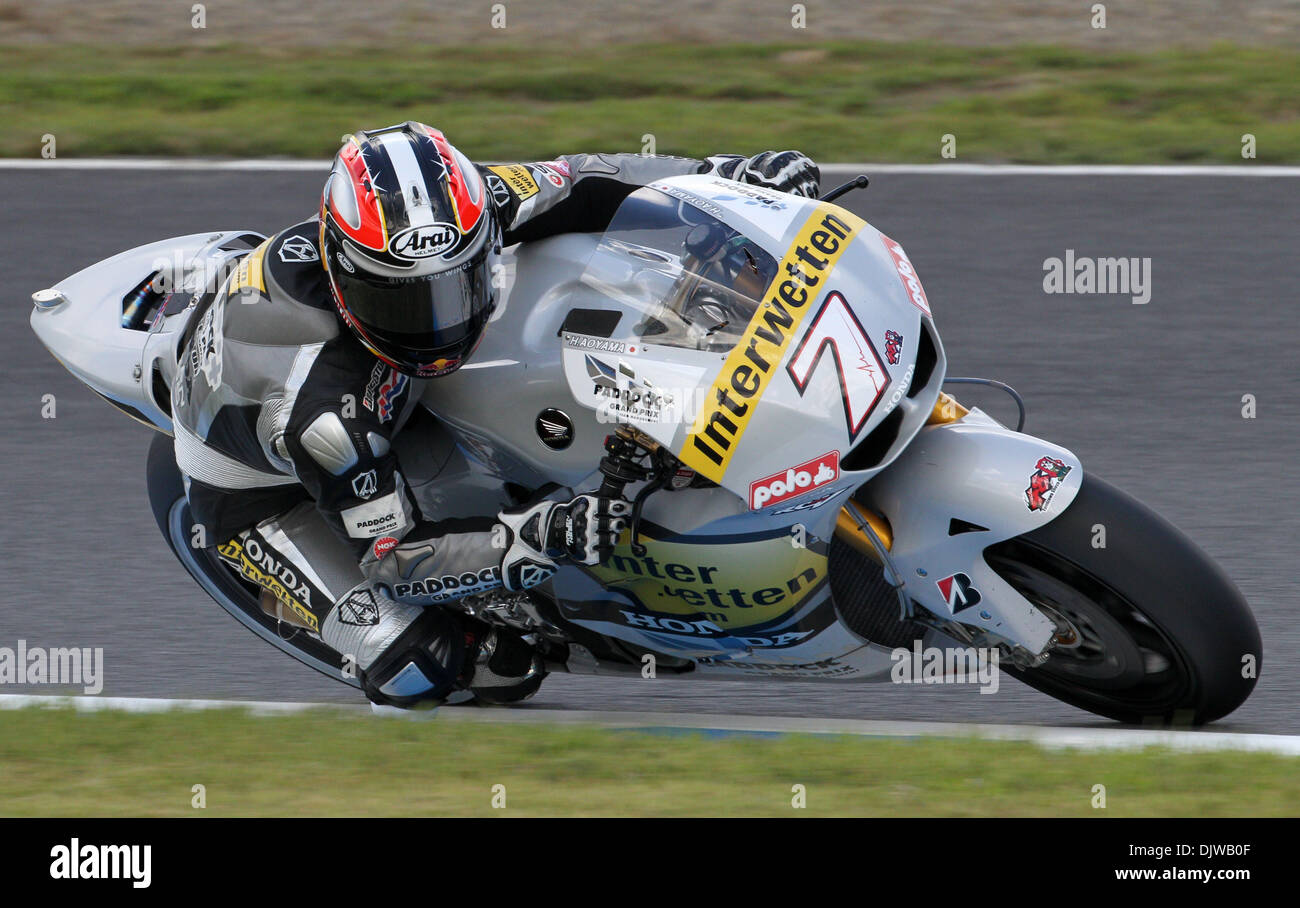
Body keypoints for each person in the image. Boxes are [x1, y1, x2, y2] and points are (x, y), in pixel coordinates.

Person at [171, 120, 821, 707]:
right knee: (434, 665)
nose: (441, 323)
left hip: (384, 396)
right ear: (348, 284)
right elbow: (395, 557)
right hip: (258, 492)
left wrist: (726, 180)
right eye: (407, 305)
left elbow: (587, 178)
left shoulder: (471, 204)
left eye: (458, 286)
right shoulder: (325, 416)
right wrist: (539, 534)